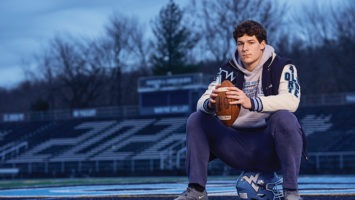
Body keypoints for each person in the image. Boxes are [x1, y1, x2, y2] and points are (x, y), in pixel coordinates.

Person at [175, 20, 307, 200]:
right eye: (240, 43)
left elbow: (291, 101)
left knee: (285, 118)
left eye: (250, 42)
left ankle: (291, 192)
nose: (245, 48)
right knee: (197, 118)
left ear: (262, 44)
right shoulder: (228, 71)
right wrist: (211, 103)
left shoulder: (282, 67)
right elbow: (202, 101)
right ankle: (196, 190)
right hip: (237, 145)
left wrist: (251, 102)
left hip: (270, 146)